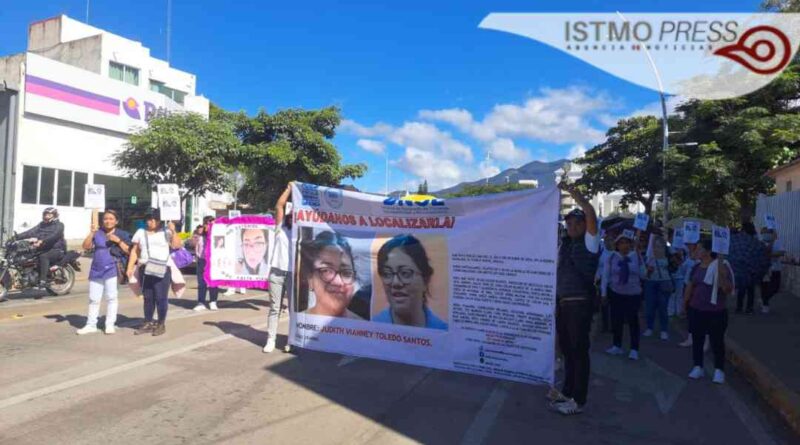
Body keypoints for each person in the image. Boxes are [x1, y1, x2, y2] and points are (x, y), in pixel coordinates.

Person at [549, 182, 599, 416]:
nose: (572, 226)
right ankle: (567, 392)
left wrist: (575, 194)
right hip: (564, 303)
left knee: (579, 351)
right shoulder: (565, 245)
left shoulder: (589, 242)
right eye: (569, 223)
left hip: (580, 303)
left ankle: (579, 400)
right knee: (568, 351)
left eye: (577, 223)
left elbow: (590, 212)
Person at [684, 239, 734, 384]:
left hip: (716, 311)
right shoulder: (696, 267)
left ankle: (719, 370)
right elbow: (690, 285)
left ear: (706, 251)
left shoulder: (723, 266)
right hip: (696, 309)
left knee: (717, 341)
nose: (696, 251)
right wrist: (685, 302)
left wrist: (721, 270)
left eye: (699, 248)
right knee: (697, 339)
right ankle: (697, 366)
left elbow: (727, 289)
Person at [373, 234, 448, 330]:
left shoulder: (443, 332)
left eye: (405, 273)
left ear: (425, 280)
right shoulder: (372, 327)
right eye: (388, 274)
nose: (396, 283)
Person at [126, 209, 182, 336]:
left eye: (153, 219)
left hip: (162, 268)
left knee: (161, 297)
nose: (150, 222)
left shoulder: (166, 232)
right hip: (145, 267)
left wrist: (173, 231)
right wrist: (130, 267)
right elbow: (135, 251)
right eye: (149, 219)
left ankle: (161, 323)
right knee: (148, 297)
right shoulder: (140, 232)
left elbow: (176, 245)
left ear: (159, 221)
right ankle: (148, 322)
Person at [76, 210, 131, 335]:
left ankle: (110, 324)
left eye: (111, 219)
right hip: (96, 268)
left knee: (111, 298)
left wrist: (118, 241)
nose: (108, 221)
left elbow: (129, 250)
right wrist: (92, 233)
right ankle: (91, 324)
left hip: (112, 269)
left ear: (116, 221)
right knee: (93, 299)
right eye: (106, 218)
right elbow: (86, 246)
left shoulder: (122, 234)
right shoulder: (98, 232)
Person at [601, 232, 645, 360]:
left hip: (633, 294)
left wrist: (643, 263)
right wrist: (603, 293)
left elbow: (643, 274)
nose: (624, 245)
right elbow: (605, 276)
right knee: (616, 320)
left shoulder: (636, 256)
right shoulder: (611, 257)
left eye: (627, 242)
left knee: (632, 321)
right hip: (616, 293)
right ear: (617, 245)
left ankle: (634, 349)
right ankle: (617, 345)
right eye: (621, 243)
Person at [300, 231, 361, 319]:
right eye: (326, 271)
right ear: (310, 279)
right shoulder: (300, 325)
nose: (338, 282)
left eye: (346, 273)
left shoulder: (367, 327)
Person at [264, 184, 293, 353]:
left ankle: (291, 340)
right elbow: (279, 205)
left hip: (292, 274)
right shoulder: (280, 229)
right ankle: (271, 339)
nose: (291, 217)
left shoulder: (301, 232)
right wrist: (289, 189)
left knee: (292, 310)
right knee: (275, 308)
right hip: (276, 271)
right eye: (290, 214)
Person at [16, 207, 66, 289]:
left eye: (49, 214)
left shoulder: (59, 225)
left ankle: (43, 281)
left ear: (55, 215)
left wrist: (42, 241)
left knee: (44, 256)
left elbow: (54, 236)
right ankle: (28, 277)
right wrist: (17, 237)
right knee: (26, 255)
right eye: (45, 214)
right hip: (43, 248)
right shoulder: (42, 224)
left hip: (57, 249)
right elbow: (31, 232)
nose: (46, 216)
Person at [729, 222, 770, 314]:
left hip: (738, 270)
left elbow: (729, 254)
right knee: (751, 290)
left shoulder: (734, 240)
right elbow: (763, 259)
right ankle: (749, 308)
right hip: (752, 271)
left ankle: (739, 308)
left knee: (741, 290)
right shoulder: (757, 243)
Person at [643, 235, 674, 340]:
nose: (657, 248)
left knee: (663, 308)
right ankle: (649, 327)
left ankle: (664, 330)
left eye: (660, 246)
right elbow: (644, 274)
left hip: (664, 284)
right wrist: (648, 271)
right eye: (655, 246)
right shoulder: (648, 258)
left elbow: (675, 268)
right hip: (650, 283)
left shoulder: (669, 257)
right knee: (650, 307)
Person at [193, 216, 220, 311]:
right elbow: (194, 245)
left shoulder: (217, 235)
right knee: (201, 283)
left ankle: (213, 301)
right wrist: (196, 235)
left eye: (213, 223)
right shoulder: (200, 235)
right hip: (202, 260)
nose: (211, 225)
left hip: (213, 261)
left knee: (213, 282)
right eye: (209, 223)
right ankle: (201, 302)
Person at [759, 228, 785, 314]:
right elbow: (762, 252)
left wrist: (770, 255)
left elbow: (781, 252)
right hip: (764, 269)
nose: (765, 234)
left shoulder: (777, 242)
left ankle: (764, 300)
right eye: (764, 233)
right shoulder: (761, 242)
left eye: (768, 232)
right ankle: (765, 305)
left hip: (775, 269)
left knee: (775, 288)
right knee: (764, 287)